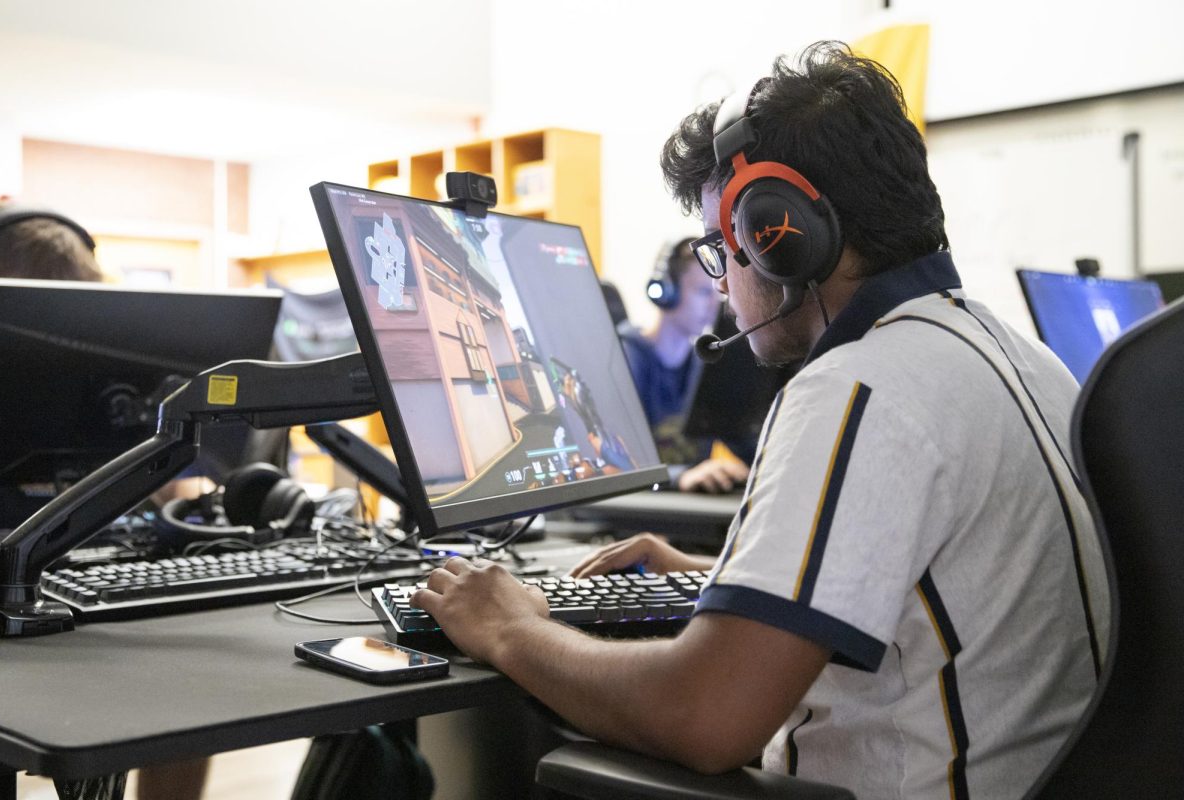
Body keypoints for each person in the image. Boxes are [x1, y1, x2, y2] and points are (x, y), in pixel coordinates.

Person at [409, 41, 1110, 799]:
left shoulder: (858, 387)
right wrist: (727, 585)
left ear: (779, 231)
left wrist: (511, 627)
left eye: (721, 247)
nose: (720, 286)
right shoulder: (1018, 355)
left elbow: (703, 717)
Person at [0, 201, 210, 800]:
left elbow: (177, 487)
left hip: (107, 573)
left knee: (192, 690)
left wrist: (176, 483)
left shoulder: (118, 366)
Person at [619, 239, 750, 492]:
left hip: (690, 503)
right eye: (702, 293)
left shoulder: (706, 359)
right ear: (667, 291)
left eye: (717, 295)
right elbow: (619, 461)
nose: (714, 306)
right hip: (643, 504)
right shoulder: (628, 357)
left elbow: (740, 439)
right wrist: (681, 477)